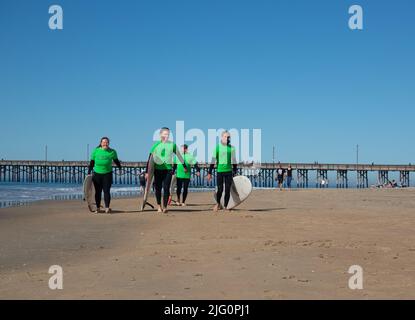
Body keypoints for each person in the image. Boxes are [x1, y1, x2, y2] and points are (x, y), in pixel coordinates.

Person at [145, 127, 187, 213]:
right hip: (157, 170)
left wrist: (184, 166)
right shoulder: (155, 145)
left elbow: (179, 156)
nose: (166, 135)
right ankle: (159, 206)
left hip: (168, 170)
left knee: (166, 188)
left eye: (167, 134)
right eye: (164, 134)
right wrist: (147, 172)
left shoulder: (172, 145)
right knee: (158, 188)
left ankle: (165, 207)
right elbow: (149, 160)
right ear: (160, 134)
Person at [88, 137, 121, 214]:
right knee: (98, 192)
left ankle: (107, 207)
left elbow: (116, 160)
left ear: (108, 143)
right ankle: (98, 208)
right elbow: (92, 162)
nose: (105, 144)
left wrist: (120, 168)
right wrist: (89, 172)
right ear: (101, 143)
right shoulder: (96, 151)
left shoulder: (112, 152)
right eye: (104, 142)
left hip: (107, 174)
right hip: (97, 174)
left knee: (106, 191)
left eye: (106, 142)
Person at [207, 131, 238, 212]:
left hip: (229, 171)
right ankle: (217, 203)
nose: (227, 138)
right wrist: (209, 173)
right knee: (220, 189)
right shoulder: (217, 147)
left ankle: (226, 206)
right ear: (222, 137)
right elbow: (213, 161)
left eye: (228, 137)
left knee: (227, 189)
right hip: (220, 171)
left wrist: (235, 171)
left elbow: (234, 161)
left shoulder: (232, 148)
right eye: (225, 136)